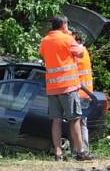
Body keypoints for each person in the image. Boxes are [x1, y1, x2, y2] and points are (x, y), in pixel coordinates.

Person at [38, 15, 91, 161]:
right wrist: (69, 37)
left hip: (52, 87)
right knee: (74, 119)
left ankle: (58, 153)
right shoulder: (67, 39)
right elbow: (80, 53)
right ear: (63, 25)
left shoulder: (45, 40)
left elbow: (42, 54)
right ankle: (80, 151)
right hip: (68, 87)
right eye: (67, 25)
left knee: (56, 120)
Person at [72, 32, 95, 156]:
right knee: (82, 122)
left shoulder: (77, 54)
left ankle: (80, 151)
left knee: (78, 122)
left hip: (79, 92)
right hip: (87, 93)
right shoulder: (85, 52)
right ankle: (82, 150)